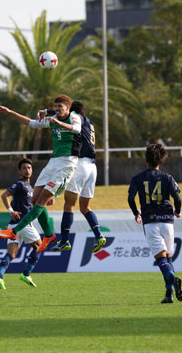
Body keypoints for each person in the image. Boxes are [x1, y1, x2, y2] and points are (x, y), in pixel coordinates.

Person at [0, 95, 81, 253]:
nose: (57, 109)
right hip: (53, 163)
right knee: (33, 200)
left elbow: (77, 129)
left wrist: (58, 123)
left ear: (68, 108)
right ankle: (49, 235)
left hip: (67, 164)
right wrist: (10, 112)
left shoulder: (74, 116)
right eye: (55, 107)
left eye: (60, 107)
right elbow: (31, 123)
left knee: (42, 199)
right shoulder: (53, 119)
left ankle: (14, 231)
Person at [128, 143, 182, 304]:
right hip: (167, 222)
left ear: (146, 160)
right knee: (168, 258)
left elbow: (130, 198)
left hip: (151, 222)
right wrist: (178, 211)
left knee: (161, 260)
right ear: (161, 161)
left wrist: (136, 213)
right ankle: (169, 294)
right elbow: (178, 198)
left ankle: (172, 278)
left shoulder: (137, 178)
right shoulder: (167, 178)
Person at [49, 101, 106, 253]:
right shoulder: (89, 122)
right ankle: (99, 236)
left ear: (71, 112)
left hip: (80, 165)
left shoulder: (75, 118)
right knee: (85, 207)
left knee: (69, 205)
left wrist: (48, 113)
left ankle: (64, 241)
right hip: (92, 167)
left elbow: (63, 116)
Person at [0, 158, 43, 289]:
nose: (27, 170)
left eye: (29, 168)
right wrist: (11, 211)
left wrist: (45, 202)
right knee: (40, 246)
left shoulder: (29, 187)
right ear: (19, 171)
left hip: (13, 226)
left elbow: (28, 205)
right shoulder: (20, 184)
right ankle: (26, 273)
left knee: (12, 254)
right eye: (24, 168)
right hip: (23, 223)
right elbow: (4, 195)